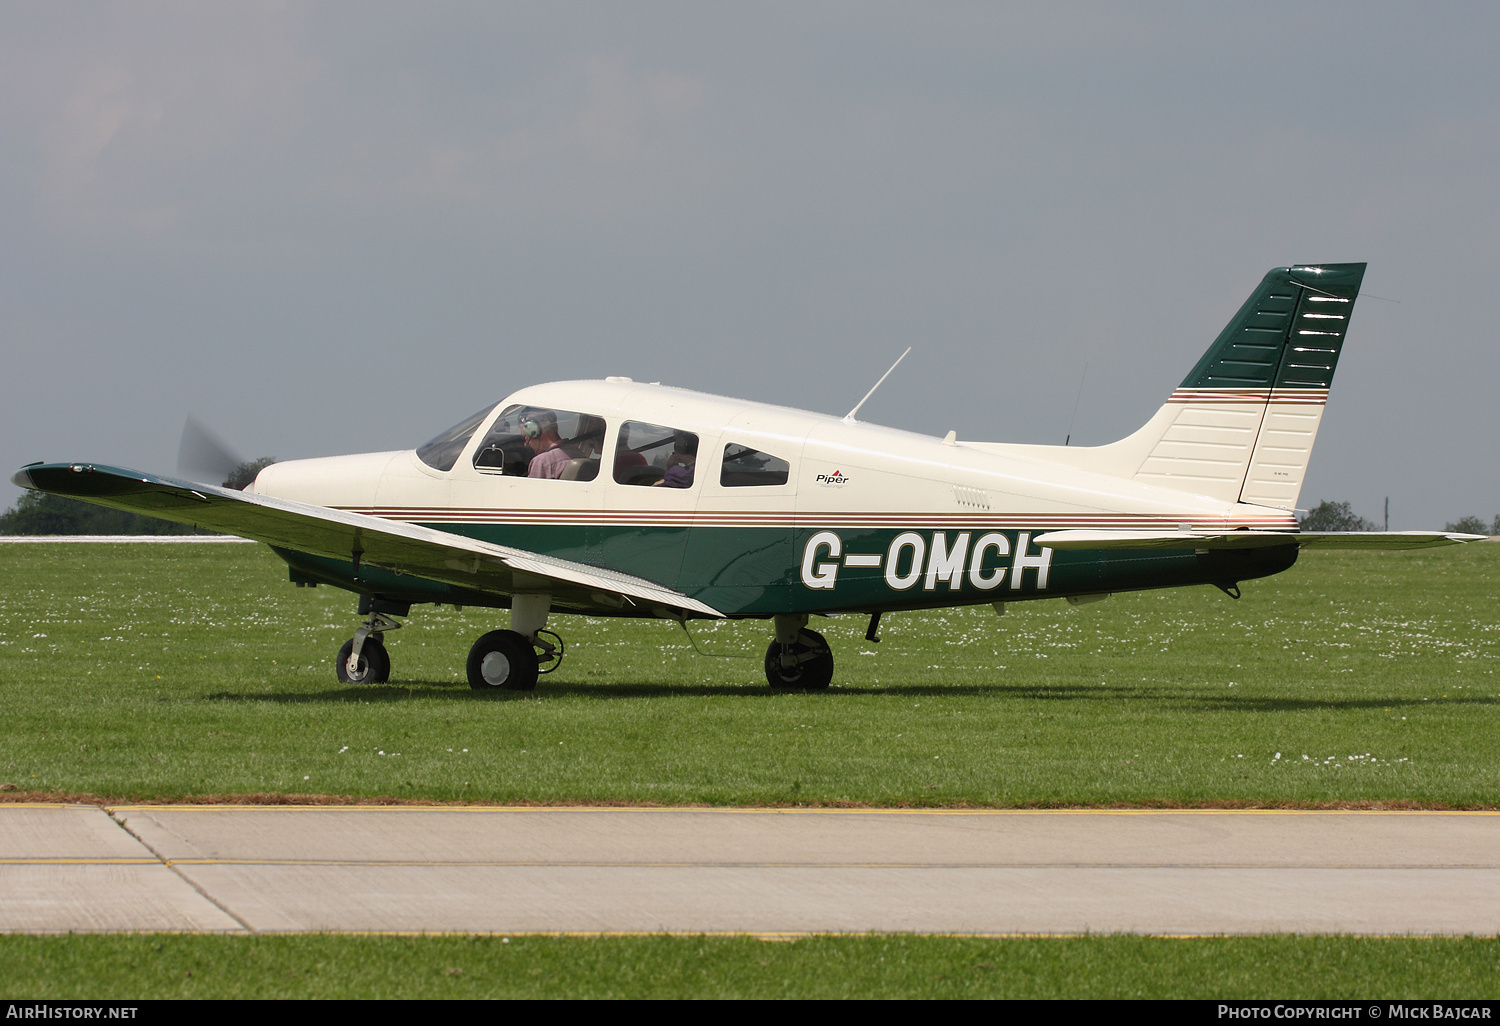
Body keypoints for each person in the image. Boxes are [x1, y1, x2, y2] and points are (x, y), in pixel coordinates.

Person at [523, 412, 571, 479]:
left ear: (535, 432)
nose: (525, 444)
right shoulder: (578, 452)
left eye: (526, 437)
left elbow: (531, 488)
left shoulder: (542, 462)